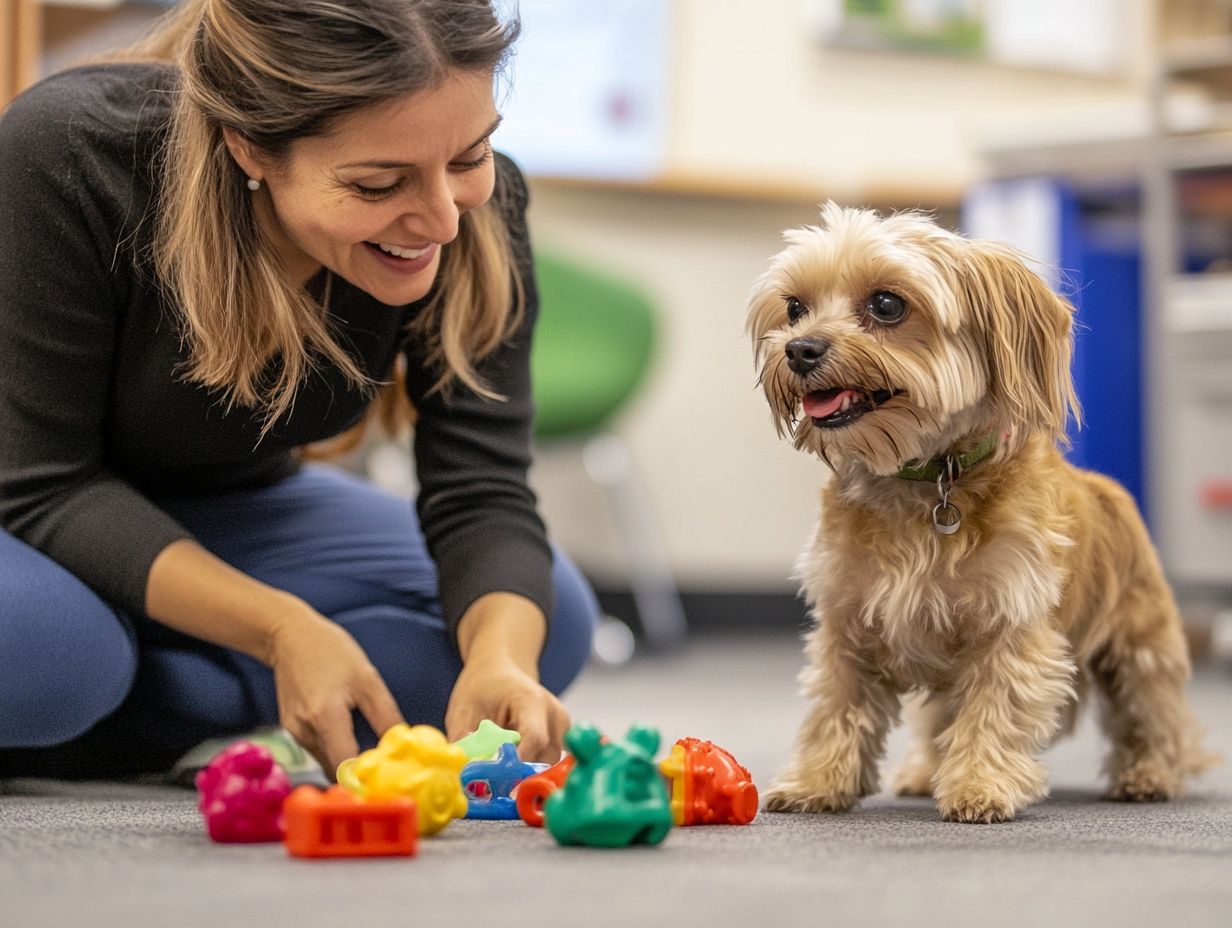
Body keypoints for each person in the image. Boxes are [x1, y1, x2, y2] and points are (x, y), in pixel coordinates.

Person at [0, 0, 599, 779]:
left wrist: (501, 663)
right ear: (250, 146)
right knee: (57, 653)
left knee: (549, 622)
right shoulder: (71, 152)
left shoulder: (477, 212)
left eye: (469, 157)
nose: (444, 221)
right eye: (380, 182)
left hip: (231, 505)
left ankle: (121, 702)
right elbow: (42, 484)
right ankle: (135, 690)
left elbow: (480, 489)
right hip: (26, 500)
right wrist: (281, 630)